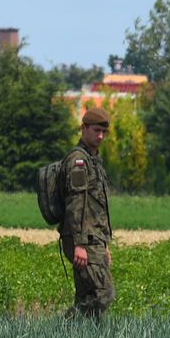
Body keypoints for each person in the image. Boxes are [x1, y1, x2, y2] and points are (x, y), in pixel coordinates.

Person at [59, 106, 114, 320]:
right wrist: (79, 244)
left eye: (103, 132)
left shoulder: (93, 161)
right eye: (95, 131)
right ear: (83, 129)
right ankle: (65, 326)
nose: (100, 136)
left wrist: (105, 244)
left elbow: (97, 207)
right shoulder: (78, 161)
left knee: (87, 296)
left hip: (94, 239)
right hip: (83, 240)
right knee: (104, 294)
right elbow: (76, 203)